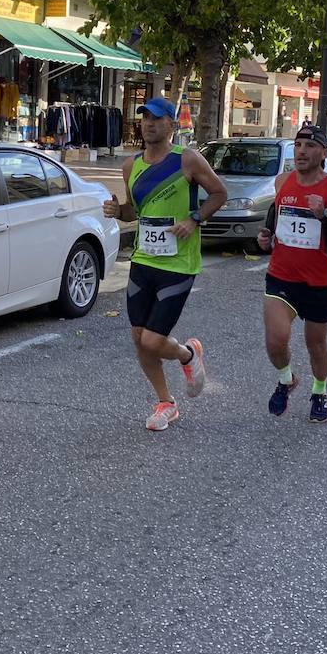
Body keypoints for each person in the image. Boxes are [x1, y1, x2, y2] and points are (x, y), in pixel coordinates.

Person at [103, 97, 227, 432]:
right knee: (138, 336)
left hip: (179, 263)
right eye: (144, 118)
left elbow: (219, 193)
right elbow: (135, 211)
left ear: (172, 124)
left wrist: (194, 219)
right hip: (144, 259)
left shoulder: (187, 159)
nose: (148, 124)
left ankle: (187, 355)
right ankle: (166, 403)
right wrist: (119, 212)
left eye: (157, 119)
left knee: (154, 342)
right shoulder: (131, 166)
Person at [257, 123, 327, 423]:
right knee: (276, 341)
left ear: (323, 152)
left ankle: (320, 390)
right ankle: (286, 379)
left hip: (318, 282)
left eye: (310, 146)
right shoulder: (282, 181)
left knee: (316, 346)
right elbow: (276, 218)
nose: (302, 151)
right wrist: (265, 237)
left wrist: (324, 215)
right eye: (298, 145)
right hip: (281, 276)